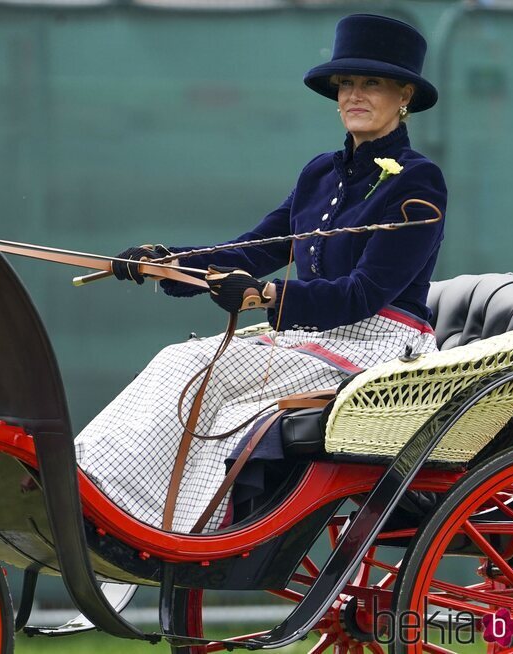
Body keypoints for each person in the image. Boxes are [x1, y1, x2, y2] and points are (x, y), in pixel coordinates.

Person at [74, 14, 447, 533]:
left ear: (404, 95)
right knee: (178, 359)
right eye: (345, 84)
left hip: (379, 348)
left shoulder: (418, 181)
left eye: (372, 83)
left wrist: (268, 295)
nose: (353, 96)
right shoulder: (321, 172)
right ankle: (96, 486)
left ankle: (126, 509)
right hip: (309, 335)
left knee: (195, 368)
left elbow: (362, 295)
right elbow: (251, 250)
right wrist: (167, 261)